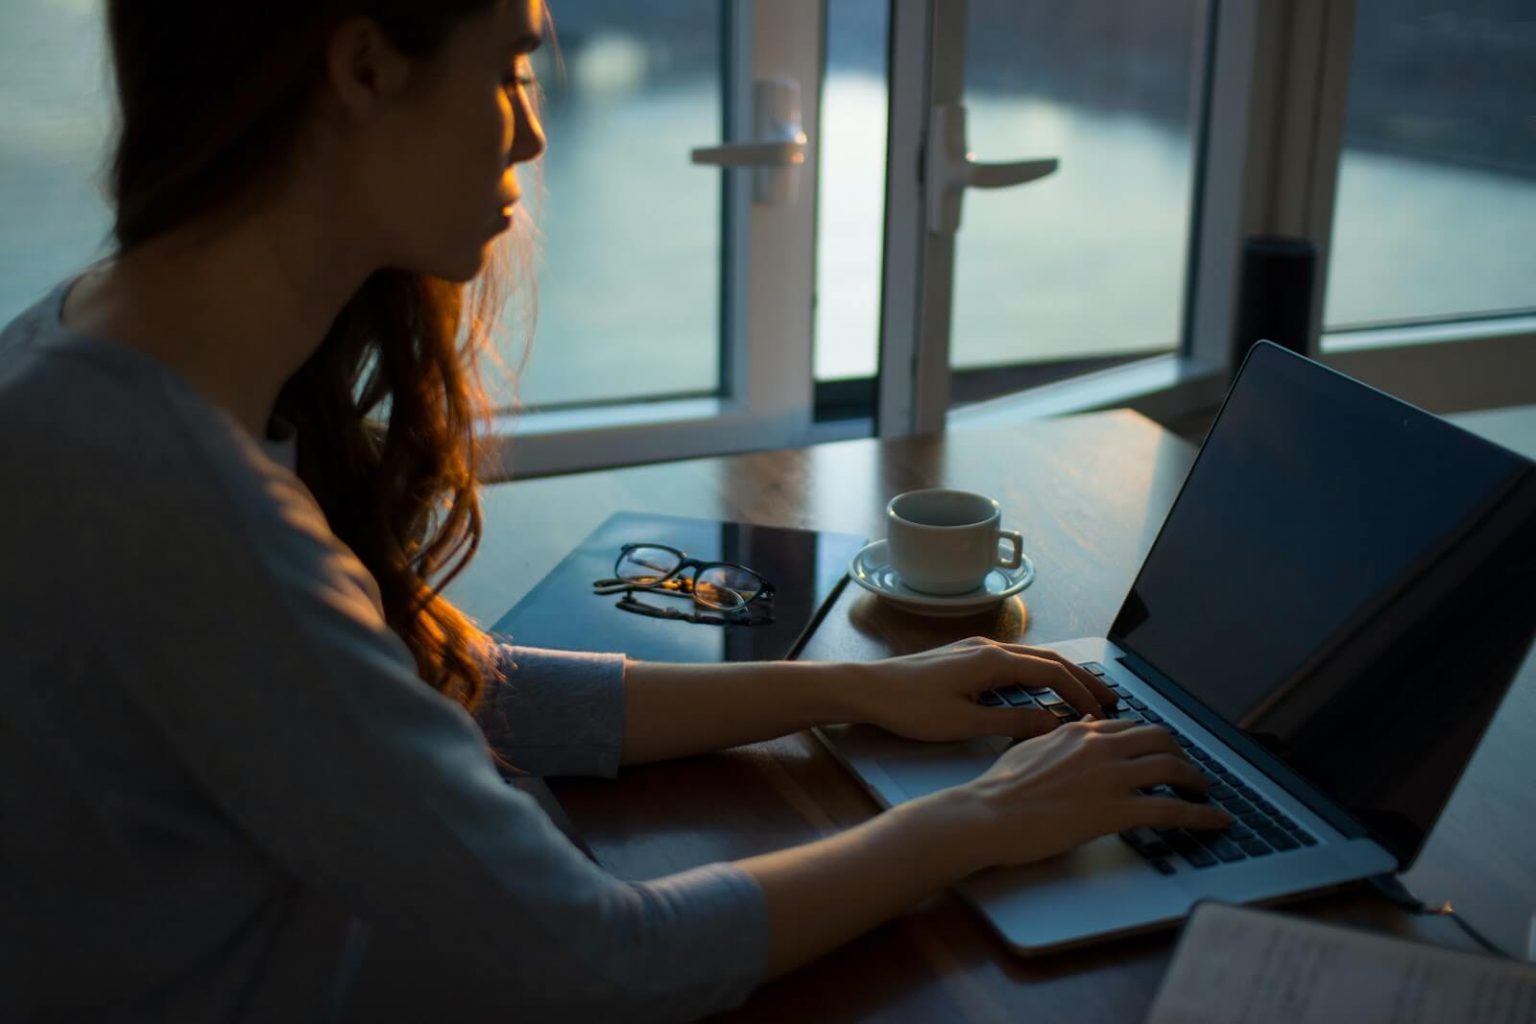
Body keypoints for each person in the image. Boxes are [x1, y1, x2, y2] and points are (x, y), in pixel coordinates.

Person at [0, 0, 1229, 1019]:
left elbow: (412, 685)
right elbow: (603, 958)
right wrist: (975, 820)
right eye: (512, 63)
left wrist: (845, 691)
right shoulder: (188, 509)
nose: (531, 133)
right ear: (365, 63)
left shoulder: (85, 351)